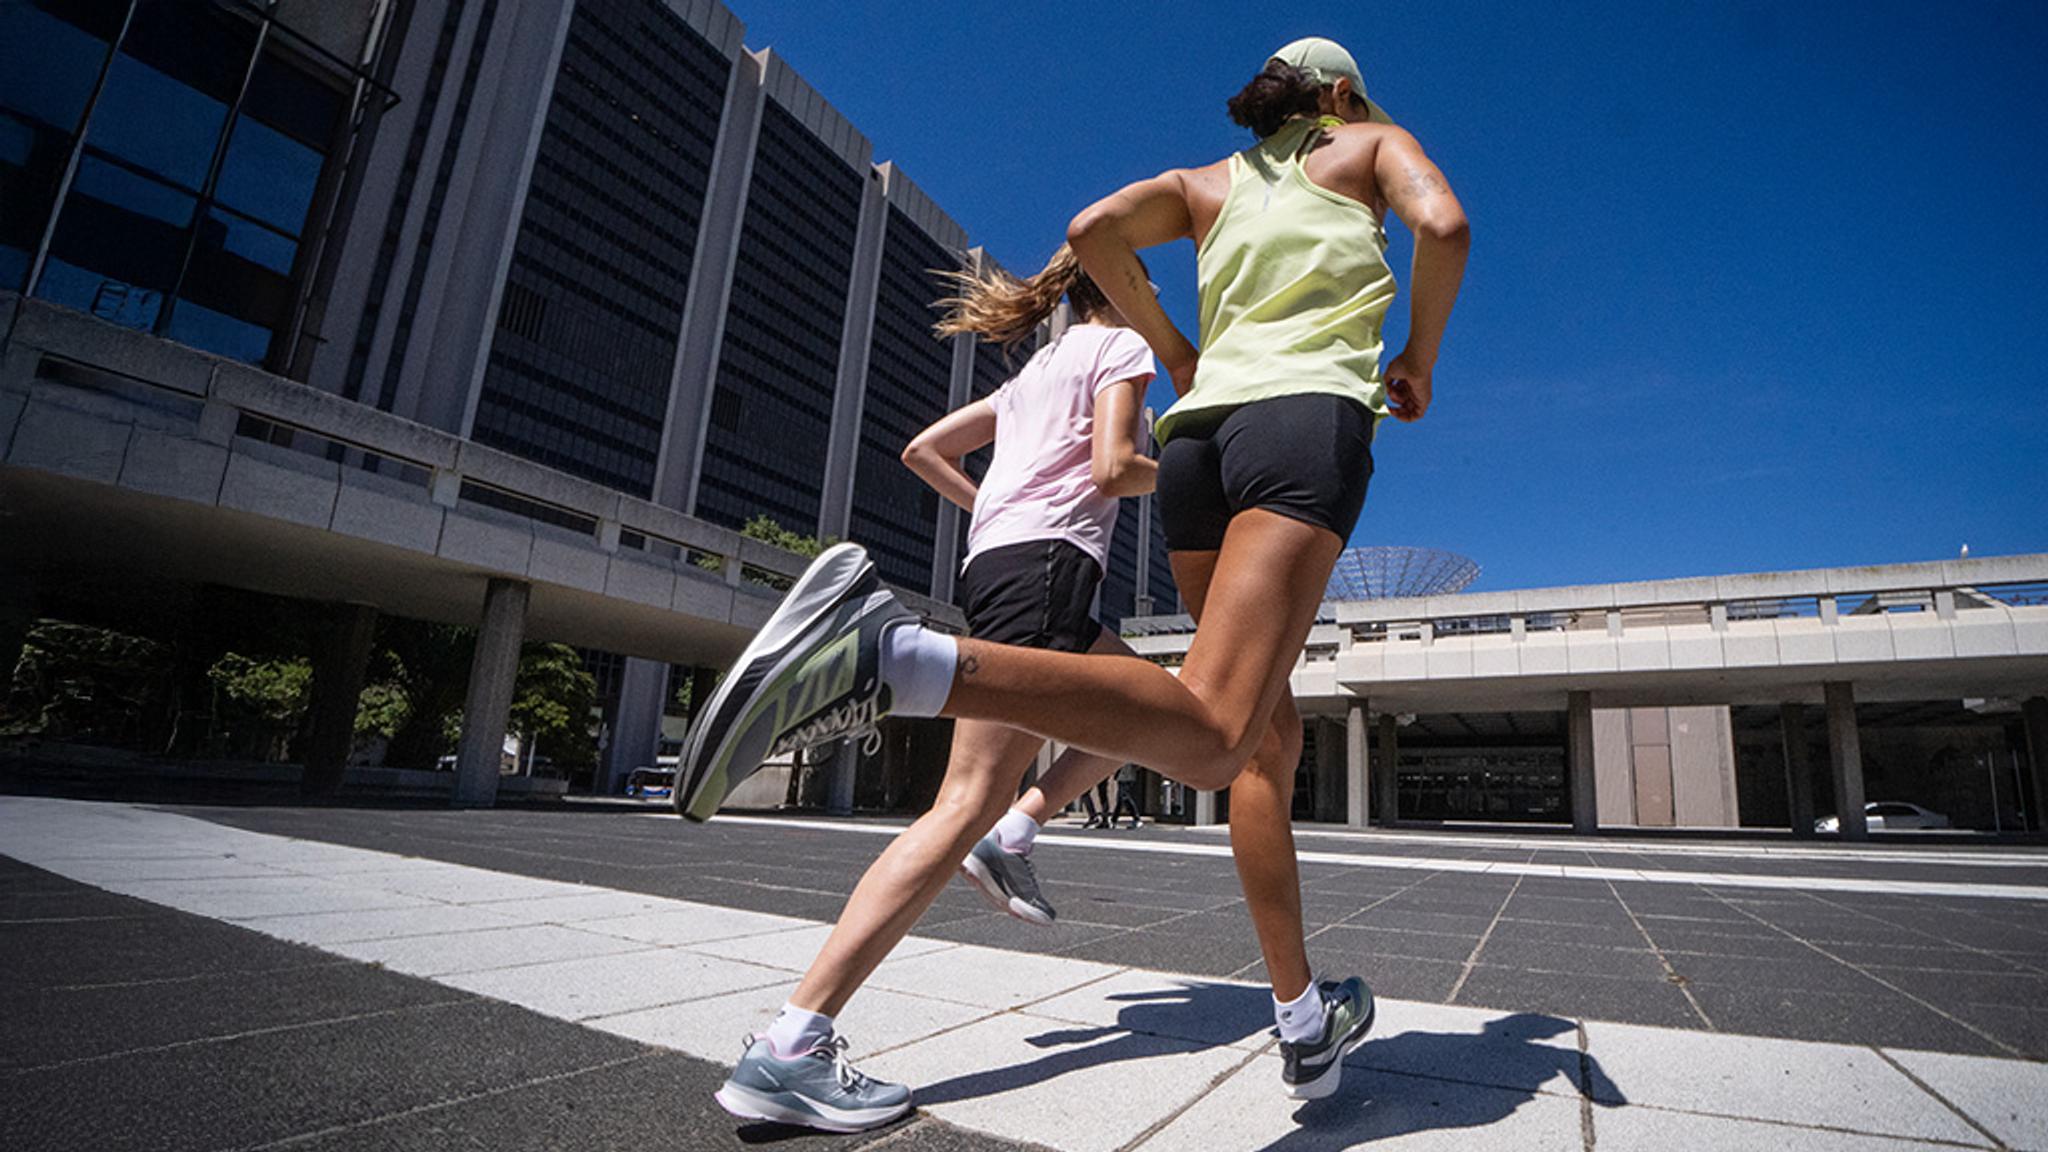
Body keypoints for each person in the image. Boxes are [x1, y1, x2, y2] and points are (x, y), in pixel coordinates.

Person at [680, 35, 1467, 1119]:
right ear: (1336, 96)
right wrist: (1417, 356)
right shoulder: (1368, 141)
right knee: (1212, 735)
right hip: (1300, 420)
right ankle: (892, 661)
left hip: (1197, 448)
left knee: (1259, 734)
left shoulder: (1204, 184)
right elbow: (1443, 224)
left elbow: (1090, 229)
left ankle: (1298, 1014)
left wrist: (1177, 353)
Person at [701, 245, 1162, 1132]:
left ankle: (1018, 829)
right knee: (962, 803)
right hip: (1050, 570)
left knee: (1150, 708)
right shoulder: (1121, 350)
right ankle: (792, 1046)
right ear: (1127, 289)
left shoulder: (1036, 372)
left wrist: (992, 500)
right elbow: (1112, 468)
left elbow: (922, 450)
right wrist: (1192, 468)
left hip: (1000, 564)